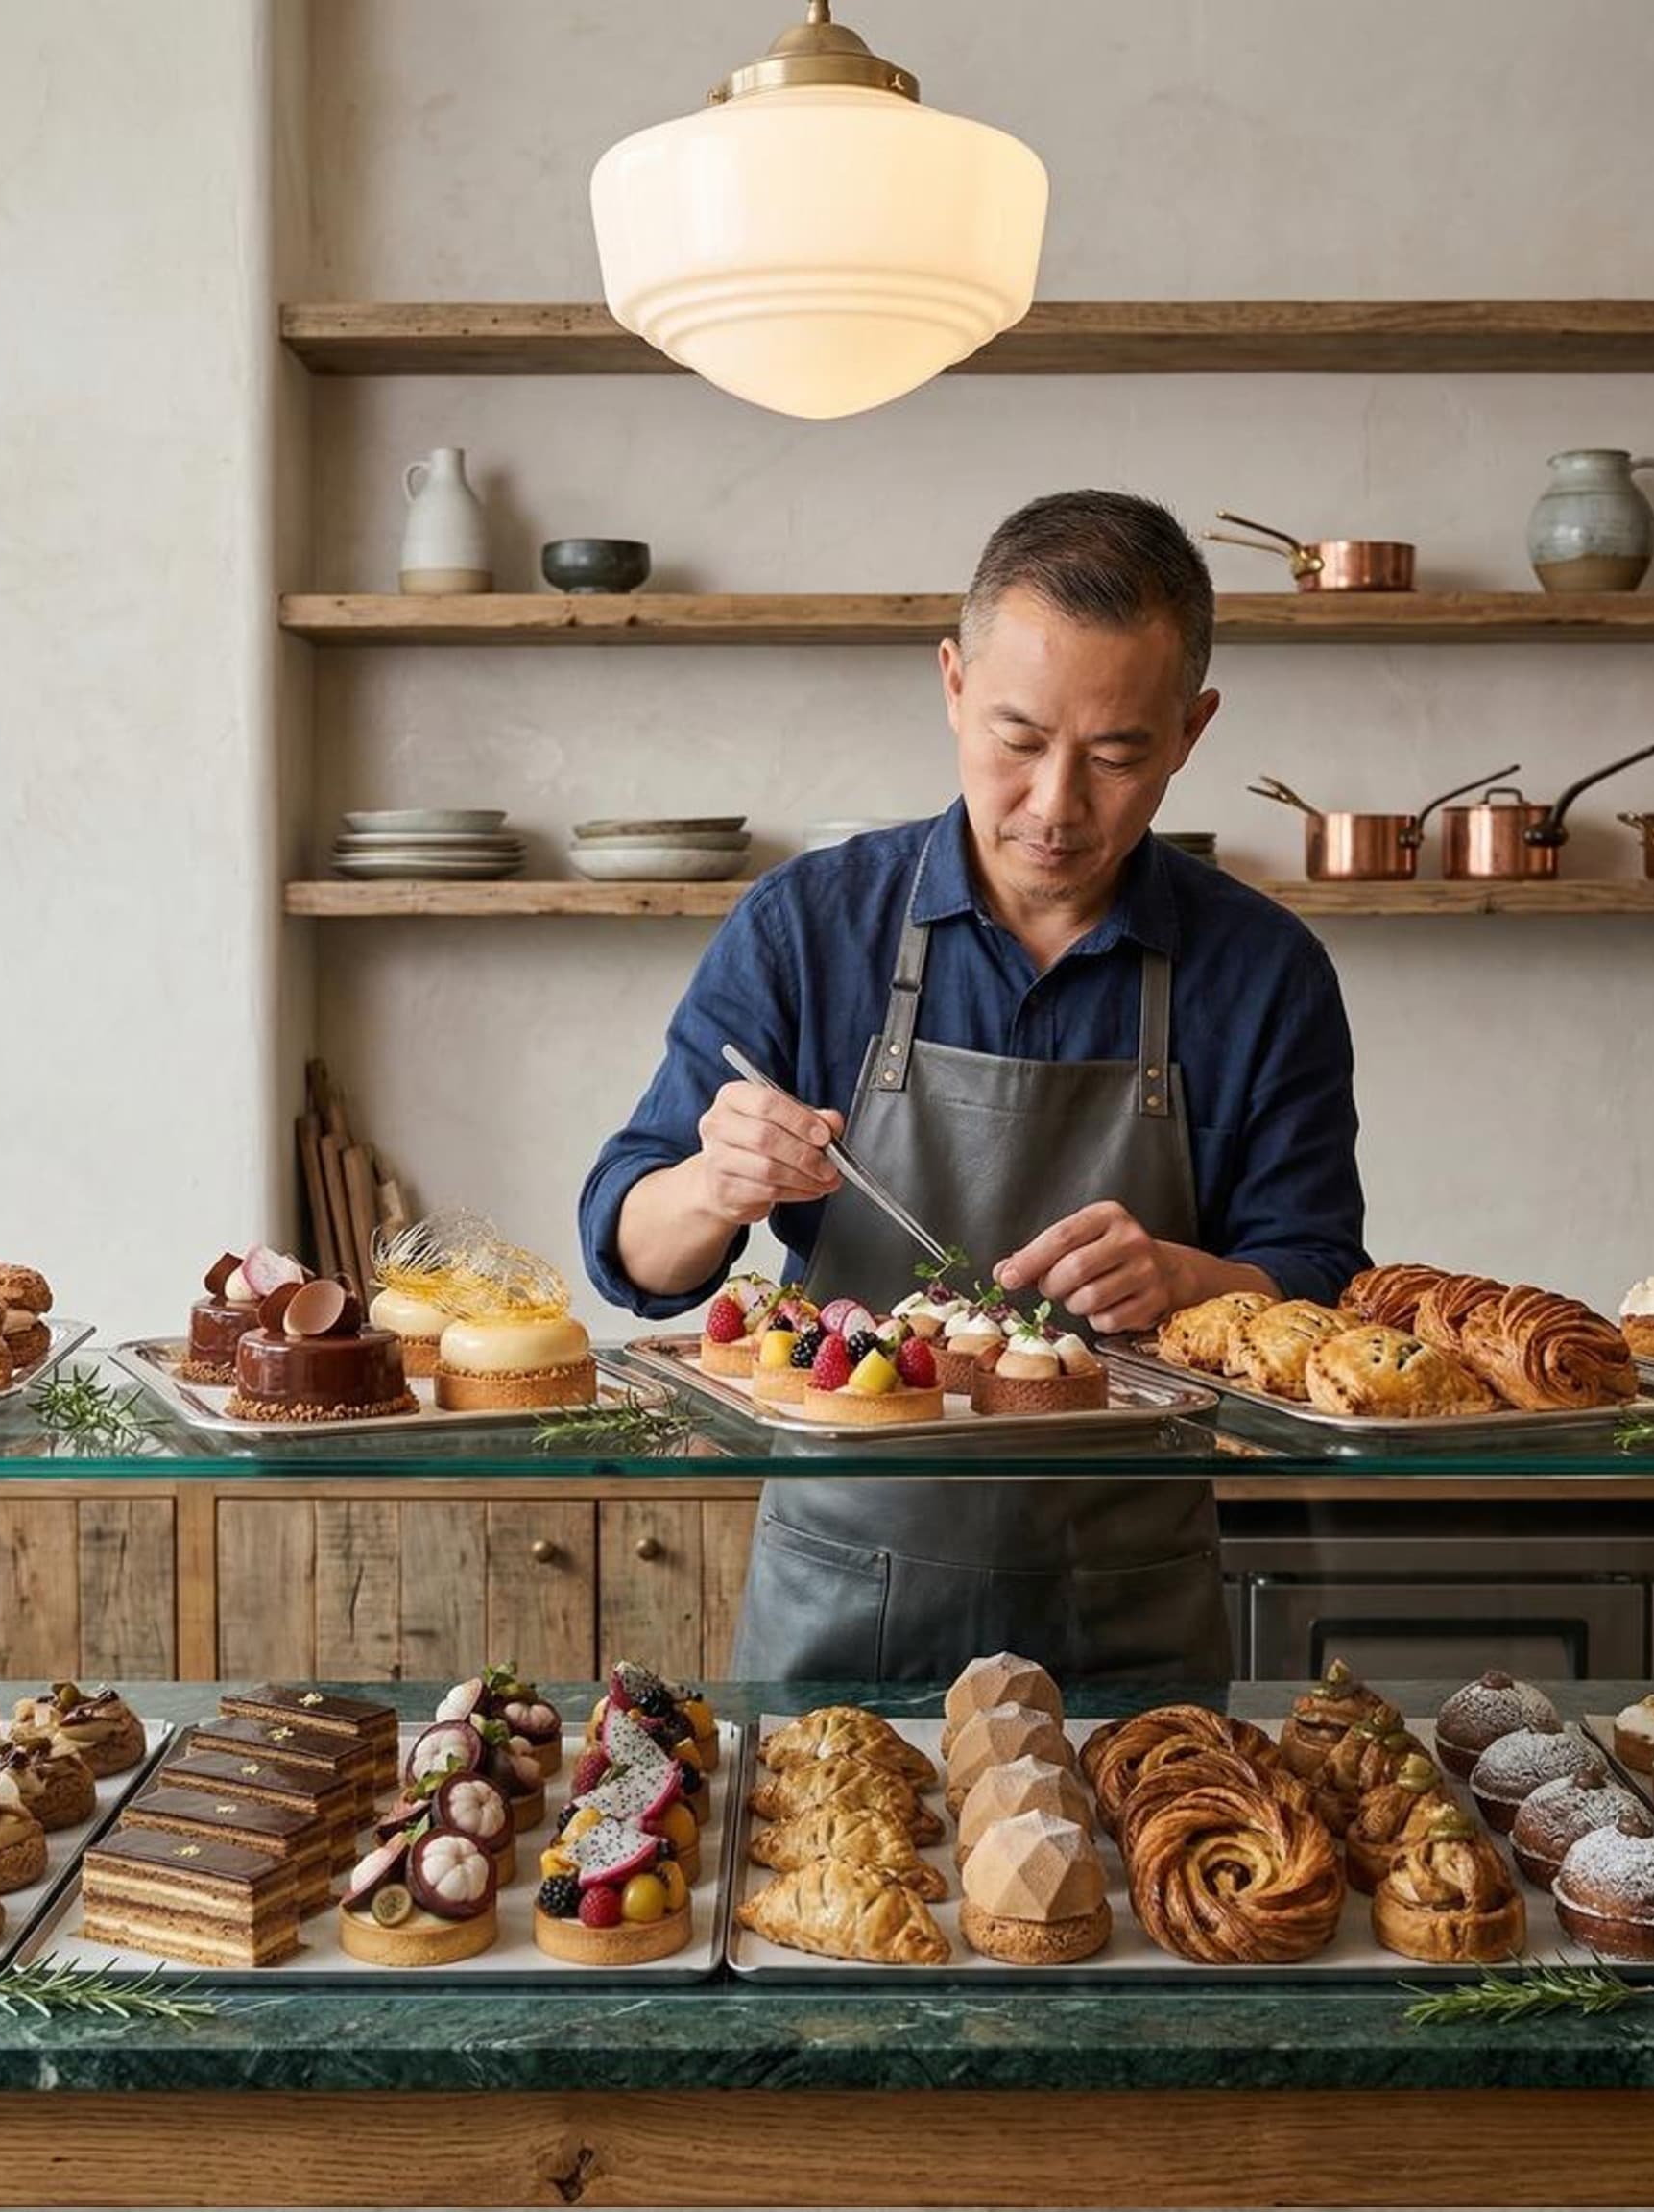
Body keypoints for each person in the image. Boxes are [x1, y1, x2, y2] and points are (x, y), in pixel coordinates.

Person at [580, 489, 1368, 1680]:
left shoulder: (1265, 973)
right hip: (844, 1582)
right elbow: (630, 1251)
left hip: (1131, 1604)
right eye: (1017, 738)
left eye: (1116, 755)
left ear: (1192, 730)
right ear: (952, 683)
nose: (1056, 806)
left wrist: (1187, 1277)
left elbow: (1326, 1287)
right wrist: (713, 1184)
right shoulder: (809, 927)